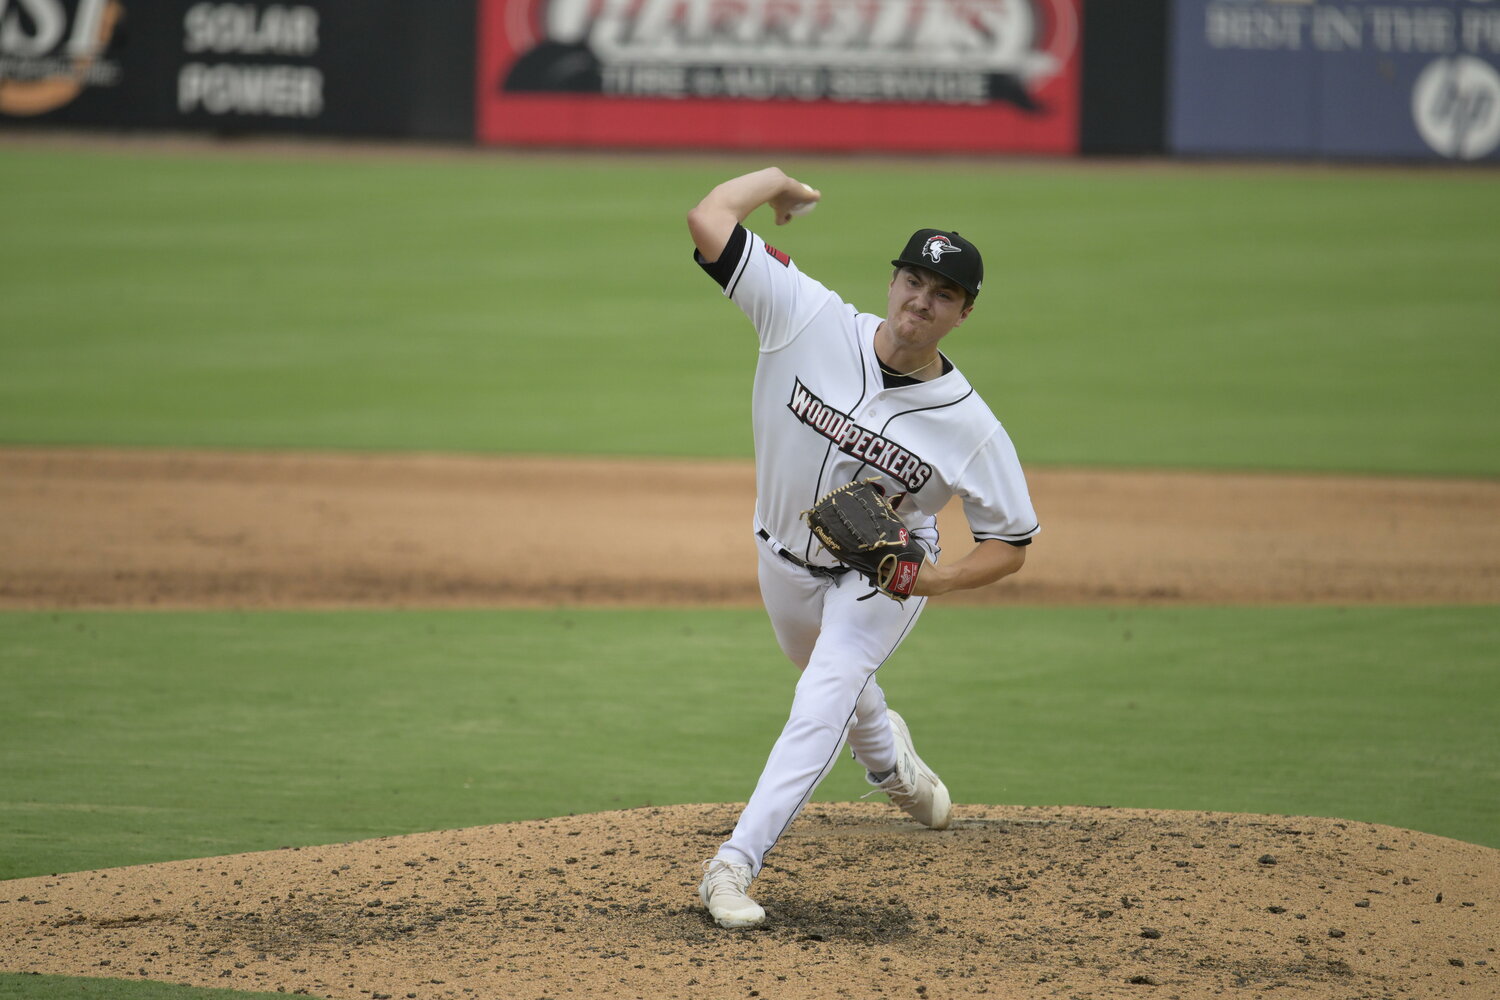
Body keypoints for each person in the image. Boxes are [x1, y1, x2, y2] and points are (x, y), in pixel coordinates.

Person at [687, 167, 1039, 929]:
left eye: (942, 294)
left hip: (877, 580)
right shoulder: (804, 316)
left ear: (963, 312)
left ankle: (731, 867)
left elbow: (1011, 541)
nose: (921, 300)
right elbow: (708, 217)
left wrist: (929, 581)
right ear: (893, 283)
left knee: (821, 697)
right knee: (827, 679)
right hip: (778, 556)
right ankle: (890, 763)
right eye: (913, 279)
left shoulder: (969, 426)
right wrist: (777, 179)